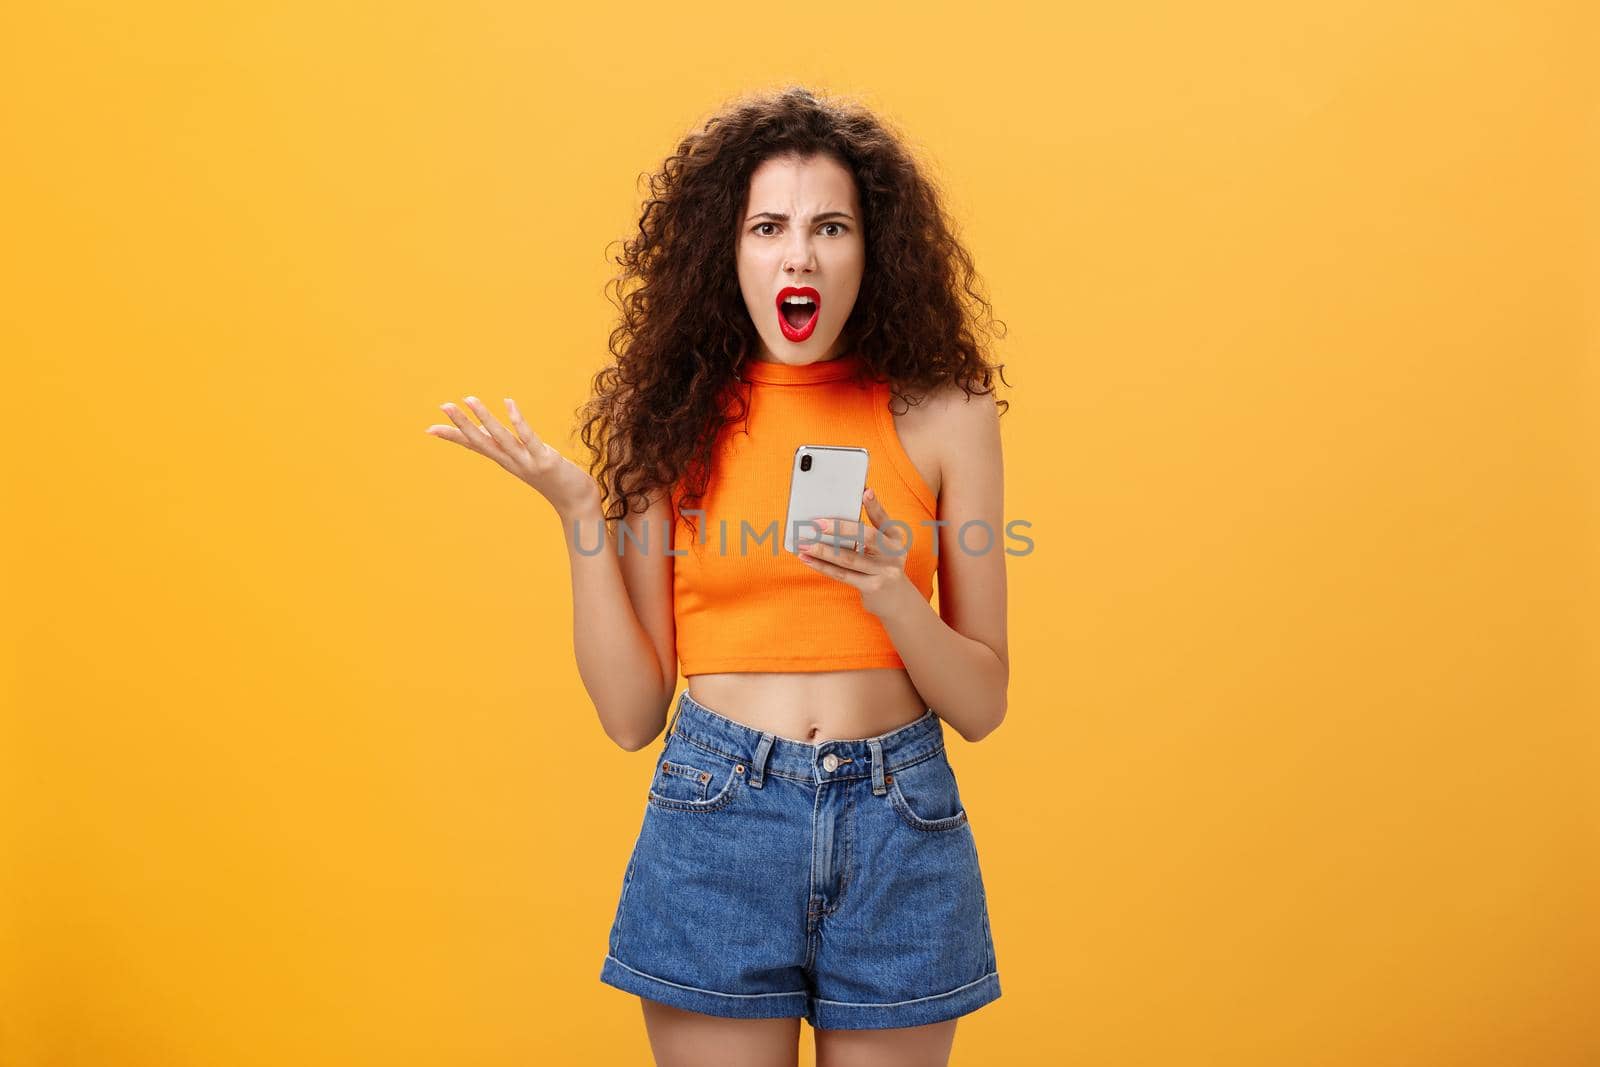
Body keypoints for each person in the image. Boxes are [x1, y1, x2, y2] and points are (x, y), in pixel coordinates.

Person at [425, 86, 1011, 1067]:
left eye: (831, 226)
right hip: (716, 812)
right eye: (768, 226)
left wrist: (889, 589)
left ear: (872, 249)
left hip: (899, 822)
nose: (800, 255)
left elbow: (984, 699)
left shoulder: (947, 413)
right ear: (726, 252)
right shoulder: (663, 419)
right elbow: (629, 713)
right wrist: (581, 513)